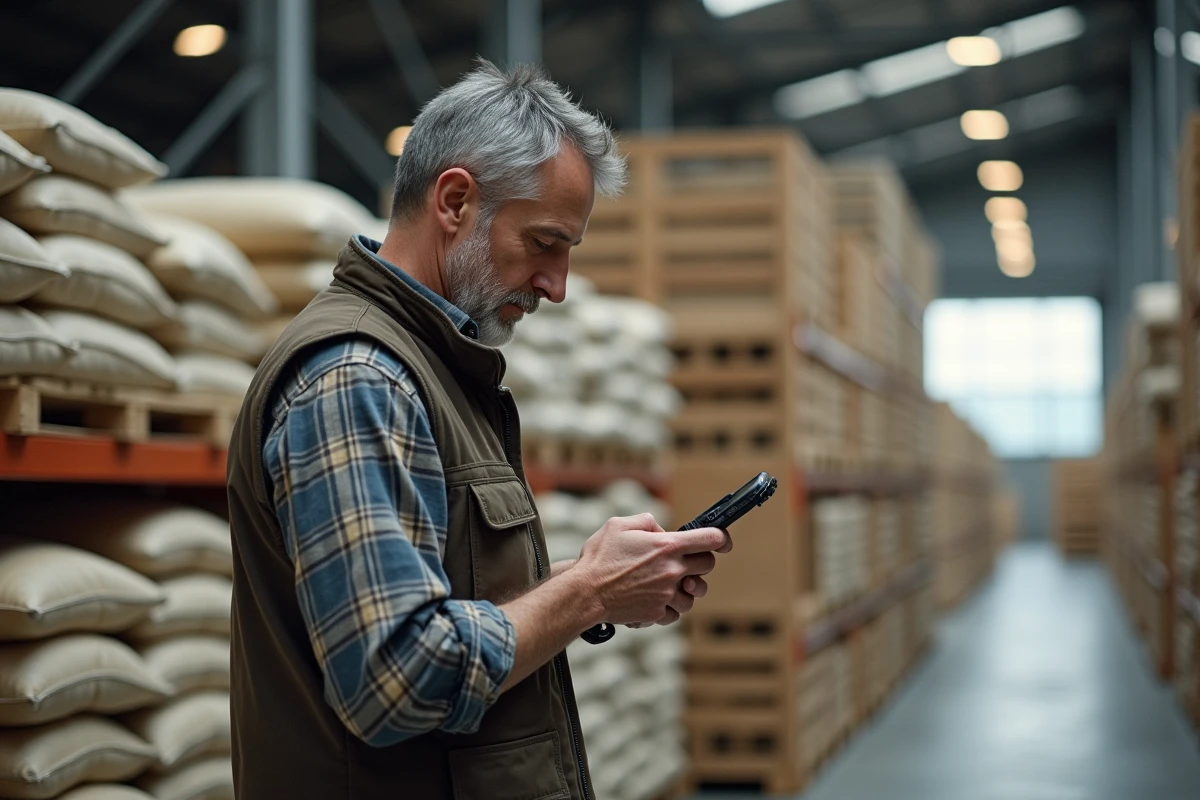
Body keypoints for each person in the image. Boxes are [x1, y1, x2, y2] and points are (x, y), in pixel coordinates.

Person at [225, 60, 732, 800]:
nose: (556, 286)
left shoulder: (433, 370)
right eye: (544, 243)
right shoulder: (358, 377)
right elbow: (397, 680)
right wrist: (587, 592)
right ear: (455, 201)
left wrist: (596, 583)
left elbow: (437, 599)